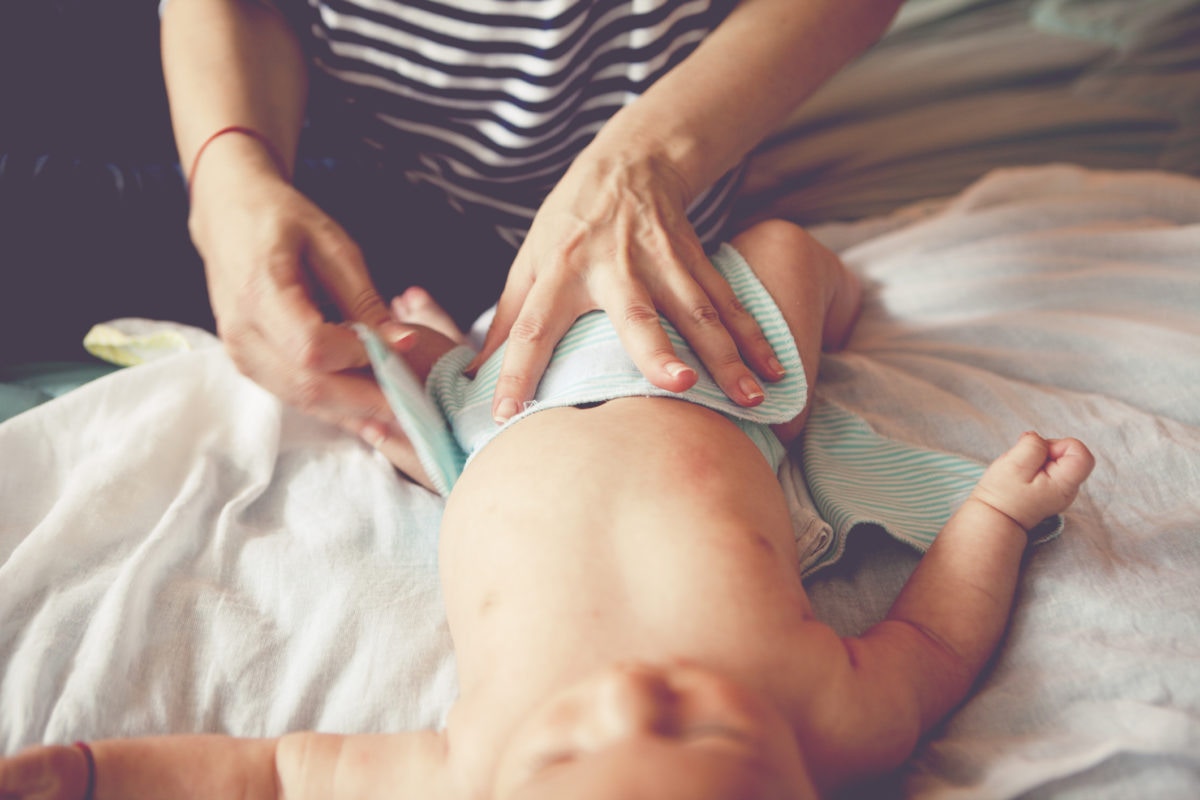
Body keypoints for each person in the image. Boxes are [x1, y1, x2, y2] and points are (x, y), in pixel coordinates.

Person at [0, 219, 1095, 799]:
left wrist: (96, 773)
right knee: (780, 252)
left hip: (483, 436)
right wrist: (995, 515)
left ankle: (447, 347)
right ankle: (828, 294)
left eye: (561, 759)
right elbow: (936, 636)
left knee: (376, 356)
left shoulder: (468, 772)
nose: (631, 699)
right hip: (716, 393)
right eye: (707, 732)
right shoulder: (841, 721)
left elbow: (271, 777)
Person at [158, 0, 906, 452]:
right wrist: (227, 175)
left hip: (649, 214)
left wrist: (646, 163)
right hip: (338, 147)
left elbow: (454, 459)